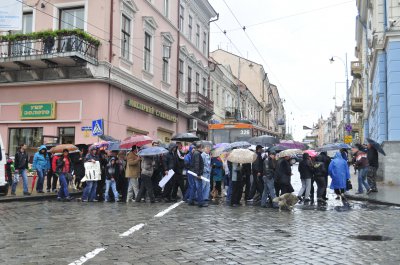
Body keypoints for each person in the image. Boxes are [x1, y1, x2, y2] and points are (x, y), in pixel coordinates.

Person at [188, 143, 207, 207]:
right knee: (199, 188)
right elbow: (197, 164)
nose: (203, 149)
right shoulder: (197, 153)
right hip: (197, 173)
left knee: (194, 187)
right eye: (203, 148)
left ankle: (190, 200)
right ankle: (200, 202)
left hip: (195, 173)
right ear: (201, 147)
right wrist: (198, 174)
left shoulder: (196, 153)